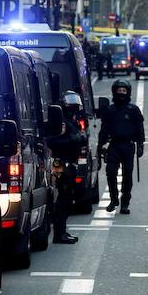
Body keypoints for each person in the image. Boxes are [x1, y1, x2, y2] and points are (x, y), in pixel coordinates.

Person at [97, 79, 145, 214]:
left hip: (128, 145)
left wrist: (140, 144)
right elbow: (104, 129)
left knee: (127, 175)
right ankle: (113, 199)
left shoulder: (133, 110)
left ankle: (125, 203)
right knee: (110, 172)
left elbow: (140, 128)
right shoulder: (110, 110)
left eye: (124, 90)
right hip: (114, 145)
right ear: (114, 92)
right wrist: (100, 144)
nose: (121, 93)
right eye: (119, 90)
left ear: (128, 92)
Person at [48, 91, 86, 244]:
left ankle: (62, 231)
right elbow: (52, 142)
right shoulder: (62, 123)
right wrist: (73, 140)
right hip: (62, 163)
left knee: (68, 197)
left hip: (70, 162)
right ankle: (59, 234)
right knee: (63, 198)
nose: (73, 106)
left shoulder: (73, 121)